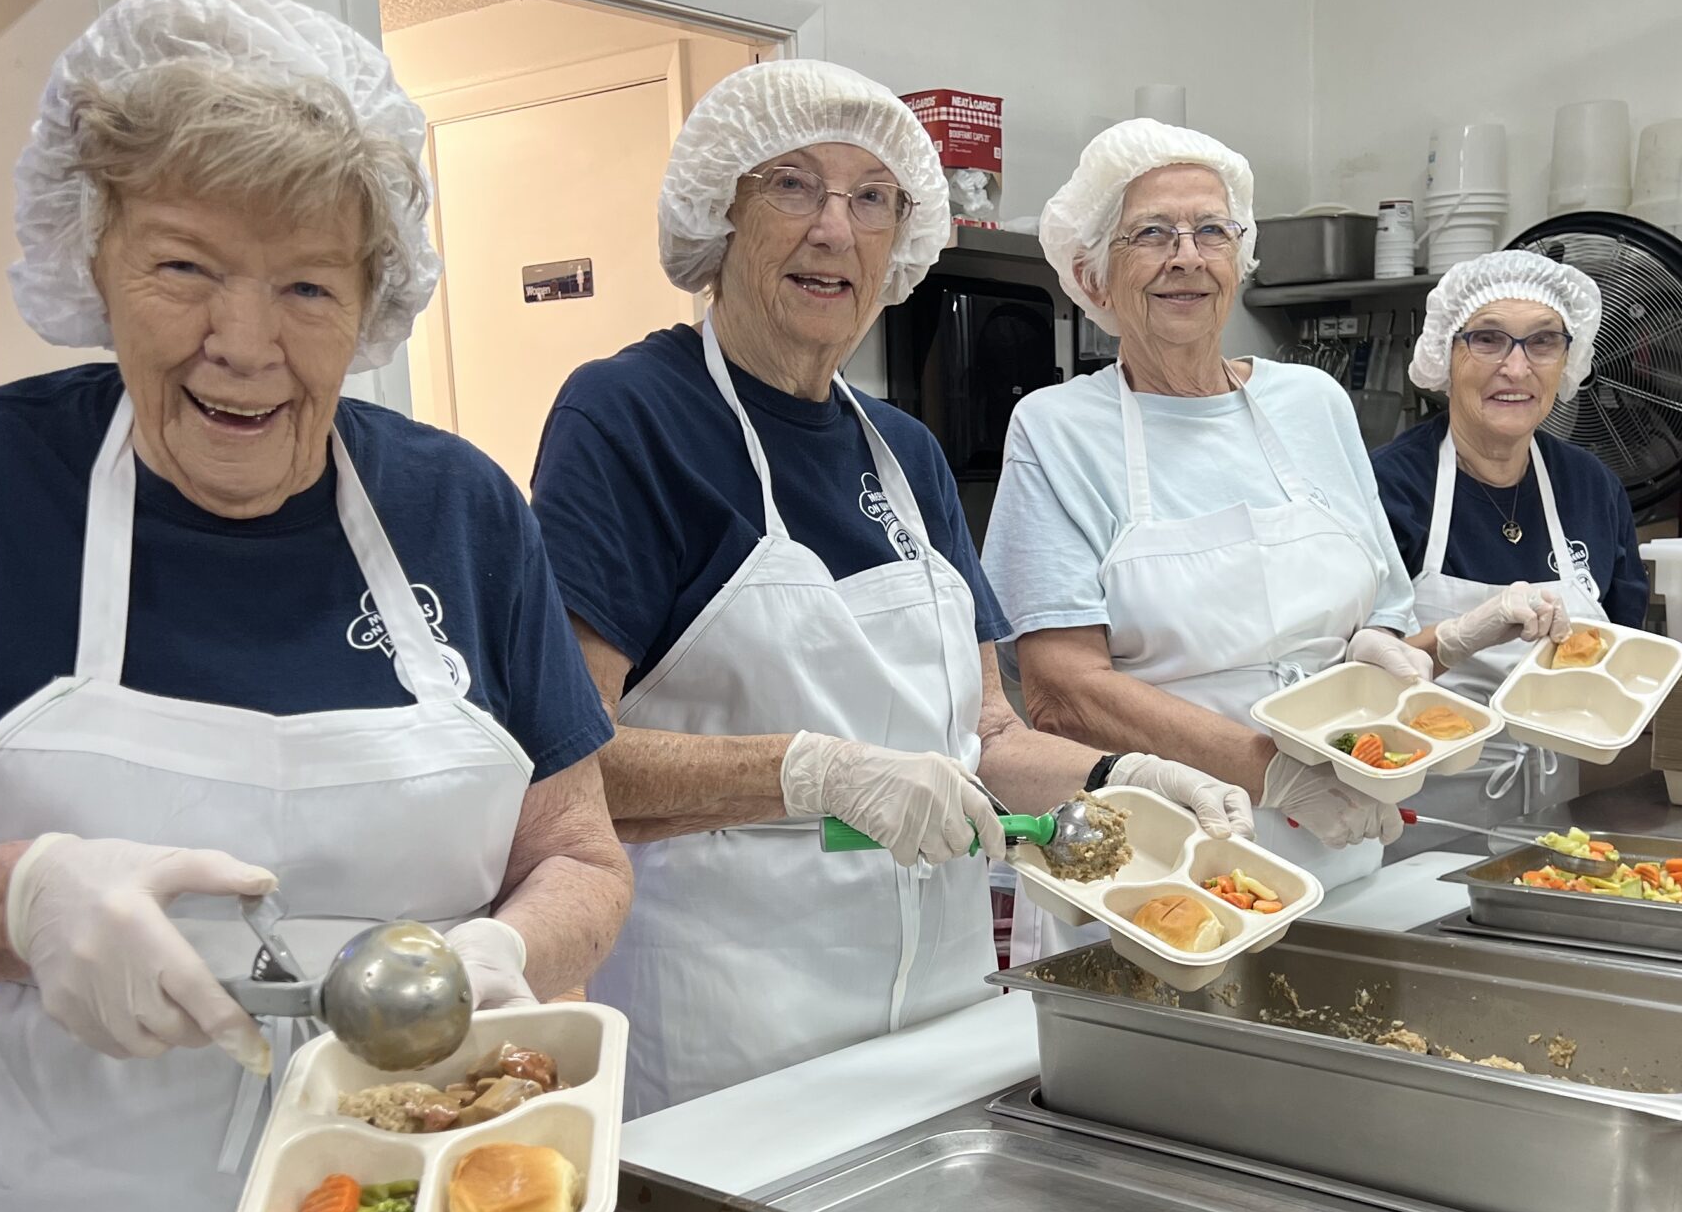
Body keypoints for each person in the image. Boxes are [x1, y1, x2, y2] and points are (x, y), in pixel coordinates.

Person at [0, 0, 632, 1212]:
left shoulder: (462, 511)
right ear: (93, 257)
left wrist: (511, 953)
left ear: (374, 300)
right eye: (183, 267)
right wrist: (21, 898)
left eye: (304, 285)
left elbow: (583, 852)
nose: (241, 342)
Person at [531, 62, 1247, 1116]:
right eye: (792, 186)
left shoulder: (903, 451)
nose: (836, 230)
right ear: (715, 214)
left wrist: (1119, 779)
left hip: (946, 1017)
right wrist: (809, 772)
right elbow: (570, 766)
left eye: (872, 198)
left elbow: (989, 737)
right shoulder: (629, 419)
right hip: (737, 1034)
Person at [982, 121, 1566, 956]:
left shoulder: (1313, 403)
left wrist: (1443, 641)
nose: (1187, 255)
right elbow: (1063, 691)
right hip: (1151, 874)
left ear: (1239, 254)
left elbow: (1382, 632)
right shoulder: (1055, 429)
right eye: (1151, 233)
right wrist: (1275, 773)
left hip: (1342, 856)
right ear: (1094, 272)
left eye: (1211, 230)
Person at [1372, 250, 1646, 816]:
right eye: (1489, 339)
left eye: (1543, 342)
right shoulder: (1389, 488)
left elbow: (1623, 658)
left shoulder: (1591, 487)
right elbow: (1347, 679)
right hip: (1414, 816)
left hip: (1556, 818)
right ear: (1444, 355)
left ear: (1569, 361)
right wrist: (1463, 634)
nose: (1517, 369)